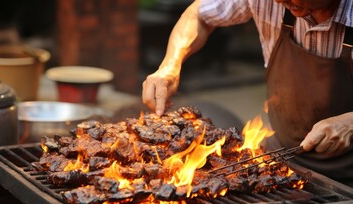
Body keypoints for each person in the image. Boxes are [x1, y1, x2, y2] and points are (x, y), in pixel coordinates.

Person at [141, 0, 353, 186]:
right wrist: (169, 66)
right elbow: (199, 14)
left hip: (347, 172)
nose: (279, 1)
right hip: (282, 156)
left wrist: (348, 123)